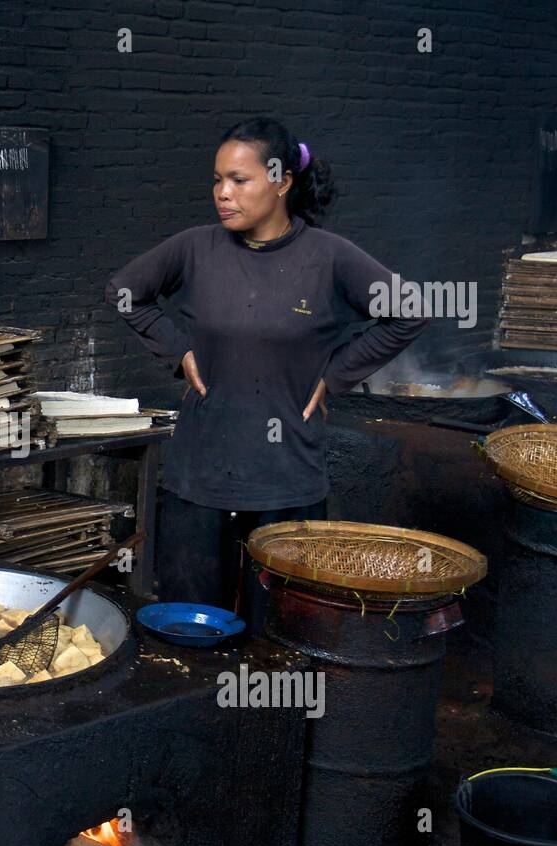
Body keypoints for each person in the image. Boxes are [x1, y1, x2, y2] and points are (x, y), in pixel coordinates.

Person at [105, 117, 428, 626]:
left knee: (277, 633)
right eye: (217, 180)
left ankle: (268, 706)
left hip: (286, 480)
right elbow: (125, 292)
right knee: (190, 628)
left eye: (240, 180)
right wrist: (178, 351)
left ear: (282, 181)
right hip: (200, 475)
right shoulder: (195, 248)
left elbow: (410, 310)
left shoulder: (329, 257)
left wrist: (336, 375)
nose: (223, 193)